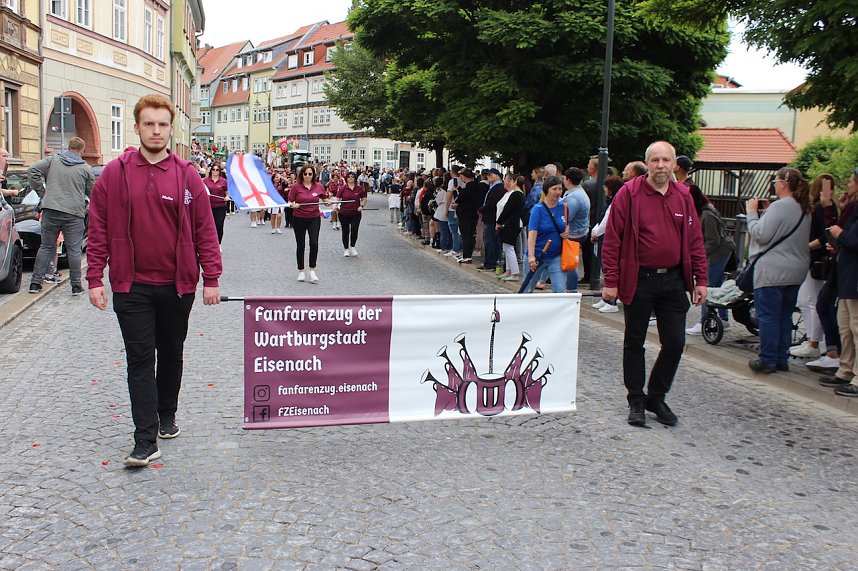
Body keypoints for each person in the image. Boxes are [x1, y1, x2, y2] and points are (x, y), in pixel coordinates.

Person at [86, 94, 222, 467]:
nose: (157, 130)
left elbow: (204, 230)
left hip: (178, 286)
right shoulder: (115, 173)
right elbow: (97, 226)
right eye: (149, 124)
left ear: (171, 128)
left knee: (171, 353)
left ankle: (167, 414)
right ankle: (144, 439)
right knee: (139, 359)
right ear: (137, 127)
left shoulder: (187, 175)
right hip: (131, 286)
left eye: (163, 124)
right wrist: (94, 275)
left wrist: (212, 277)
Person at [601, 141, 708, 427]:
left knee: (675, 342)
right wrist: (611, 281)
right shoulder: (630, 193)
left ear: (674, 164)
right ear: (647, 163)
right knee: (634, 341)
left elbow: (695, 240)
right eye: (655, 160)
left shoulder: (683, 196)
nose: (661, 165)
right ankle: (636, 398)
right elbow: (613, 240)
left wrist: (701, 279)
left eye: (666, 160)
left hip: (673, 280)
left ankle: (656, 396)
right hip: (640, 278)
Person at [745, 167, 812, 374]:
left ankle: (767, 359)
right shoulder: (804, 208)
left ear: (783, 183)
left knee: (768, 316)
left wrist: (751, 214)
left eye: (775, 181)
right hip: (796, 268)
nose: (774, 184)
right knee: (784, 315)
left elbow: (760, 234)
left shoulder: (779, 207)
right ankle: (781, 358)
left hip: (773, 269)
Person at [27, 137, 95, 295]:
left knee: (45, 247)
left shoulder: (53, 161)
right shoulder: (85, 168)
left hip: (51, 210)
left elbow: (32, 171)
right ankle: (76, 286)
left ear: (68, 147)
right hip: (74, 214)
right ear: (82, 150)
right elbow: (92, 193)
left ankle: (35, 284)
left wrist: (43, 193)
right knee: (74, 250)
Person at [820, 167, 858, 396]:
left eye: (852, 181)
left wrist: (839, 233)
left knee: (856, 327)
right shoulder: (852, 207)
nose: (850, 185)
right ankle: (845, 371)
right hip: (846, 275)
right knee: (846, 327)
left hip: (855, 278)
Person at [791, 174, 838, 360]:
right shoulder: (826, 207)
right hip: (819, 258)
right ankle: (815, 340)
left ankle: (814, 341)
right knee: (809, 300)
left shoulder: (822, 208)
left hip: (817, 259)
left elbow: (823, 235)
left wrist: (806, 247)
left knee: (810, 301)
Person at [685, 185, 735, 335]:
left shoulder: (706, 214)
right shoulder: (705, 210)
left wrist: (697, 254)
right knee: (717, 287)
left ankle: (704, 322)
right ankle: (724, 320)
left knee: (707, 287)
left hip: (717, 255)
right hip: (719, 252)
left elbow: (713, 240)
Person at [522, 175, 568, 293]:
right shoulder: (538, 209)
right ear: (547, 190)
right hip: (538, 255)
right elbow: (532, 234)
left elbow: (566, 225)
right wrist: (531, 256)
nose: (558, 192)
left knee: (559, 289)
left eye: (560, 189)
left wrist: (567, 232)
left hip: (556, 256)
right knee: (527, 289)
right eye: (554, 189)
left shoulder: (564, 207)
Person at [288, 164, 328, 283]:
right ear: (302, 175)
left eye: (310, 174)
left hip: (314, 218)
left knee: (314, 243)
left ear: (313, 175)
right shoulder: (296, 187)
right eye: (305, 174)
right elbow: (290, 200)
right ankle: (301, 271)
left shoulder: (319, 186)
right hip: (299, 218)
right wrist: (293, 204)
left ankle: (312, 270)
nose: (307, 176)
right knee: (300, 245)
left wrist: (327, 202)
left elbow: (324, 199)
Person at [591, 175, 625, 312]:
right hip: (602, 236)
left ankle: (612, 301)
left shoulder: (615, 202)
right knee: (606, 269)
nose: (604, 189)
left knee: (609, 269)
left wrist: (596, 232)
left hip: (606, 238)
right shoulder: (610, 201)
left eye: (606, 187)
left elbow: (607, 221)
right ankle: (607, 299)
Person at [562, 167, 590, 292]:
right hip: (579, 230)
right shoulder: (577, 192)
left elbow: (566, 218)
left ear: (568, 180)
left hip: (574, 233)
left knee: (570, 262)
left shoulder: (574, 197)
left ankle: (571, 288)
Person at [335, 171, 367, 257]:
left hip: (355, 213)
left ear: (355, 178)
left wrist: (361, 205)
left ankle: (353, 246)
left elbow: (364, 198)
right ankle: (346, 249)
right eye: (349, 177)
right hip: (344, 213)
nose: (351, 178)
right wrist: (335, 206)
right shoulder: (342, 188)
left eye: (352, 177)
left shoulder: (359, 188)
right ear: (346, 178)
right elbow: (337, 199)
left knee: (354, 230)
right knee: (345, 231)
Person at [455, 169, 481, 264]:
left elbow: (459, 200)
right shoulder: (477, 187)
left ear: (464, 177)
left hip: (465, 215)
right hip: (474, 214)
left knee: (465, 236)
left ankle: (466, 256)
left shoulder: (466, 189)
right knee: (470, 235)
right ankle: (469, 255)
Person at [204, 163, 228, 244]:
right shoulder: (205, 181)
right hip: (208, 206)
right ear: (211, 170)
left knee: (219, 225)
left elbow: (227, 192)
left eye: (217, 170)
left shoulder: (224, 181)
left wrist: (227, 197)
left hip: (220, 206)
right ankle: (209, 242)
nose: (215, 171)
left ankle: (218, 243)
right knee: (208, 226)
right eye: (213, 169)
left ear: (219, 171)